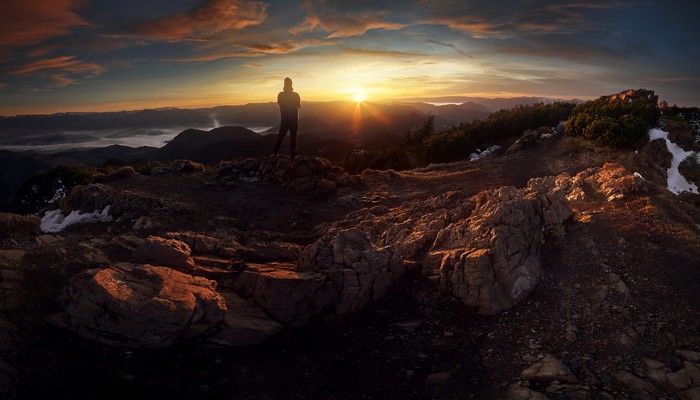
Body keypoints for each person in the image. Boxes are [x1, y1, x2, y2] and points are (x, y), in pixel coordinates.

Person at [273, 77, 301, 159]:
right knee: (293, 138)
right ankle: (293, 156)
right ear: (291, 84)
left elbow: (280, 104)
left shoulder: (280, 95)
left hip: (284, 119)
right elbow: (298, 106)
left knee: (280, 137)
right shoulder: (296, 95)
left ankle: (274, 153)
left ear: (284, 84)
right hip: (294, 119)